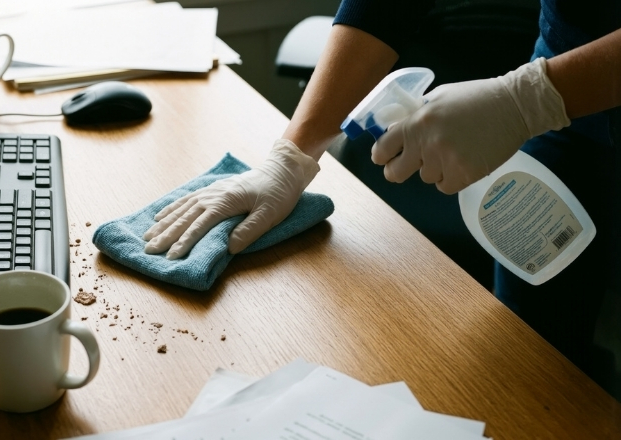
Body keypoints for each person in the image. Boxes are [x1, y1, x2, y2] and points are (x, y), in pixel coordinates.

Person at [144, 0, 621, 386]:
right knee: (534, 367)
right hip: (568, 120)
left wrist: (531, 99)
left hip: (563, 93)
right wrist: (292, 157)